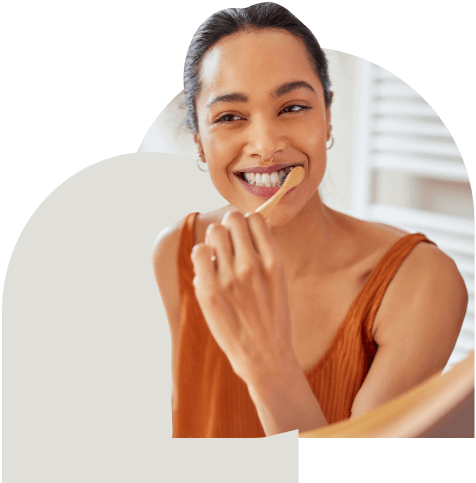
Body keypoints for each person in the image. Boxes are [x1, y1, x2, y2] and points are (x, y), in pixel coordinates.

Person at [151, 3, 468, 438]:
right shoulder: (176, 251)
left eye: (293, 107)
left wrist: (267, 362)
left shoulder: (421, 282)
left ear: (327, 118)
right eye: (229, 117)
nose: (265, 145)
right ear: (201, 145)